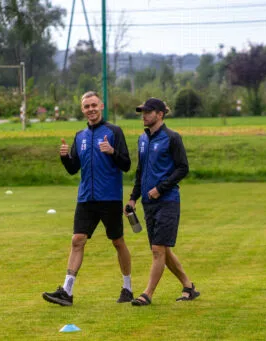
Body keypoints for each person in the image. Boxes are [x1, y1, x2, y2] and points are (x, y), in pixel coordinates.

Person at [42, 91, 134, 306]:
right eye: (86, 106)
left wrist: (112, 151)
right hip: (86, 199)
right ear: (82, 110)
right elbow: (74, 169)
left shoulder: (114, 132)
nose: (91, 109)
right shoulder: (80, 136)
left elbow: (127, 165)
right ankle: (67, 291)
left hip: (109, 198)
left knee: (118, 242)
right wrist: (65, 157)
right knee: (77, 240)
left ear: (101, 106)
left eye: (94, 105)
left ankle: (127, 287)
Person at [126, 97, 200, 306]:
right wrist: (133, 199)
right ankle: (188, 286)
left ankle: (147, 294)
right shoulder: (142, 139)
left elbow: (183, 168)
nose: (144, 115)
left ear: (160, 114)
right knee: (163, 250)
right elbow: (140, 172)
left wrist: (160, 188)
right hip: (149, 204)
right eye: (142, 112)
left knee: (158, 249)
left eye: (148, 112)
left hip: (168, 201)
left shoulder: (172, 138)